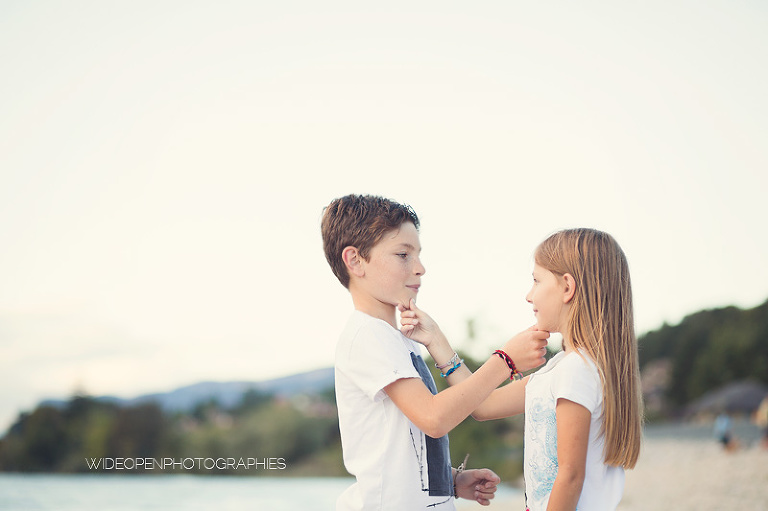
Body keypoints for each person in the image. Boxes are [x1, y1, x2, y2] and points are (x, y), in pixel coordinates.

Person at [321, 194, 549, 510]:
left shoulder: (397, 339)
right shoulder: (366, 334)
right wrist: (504, 361)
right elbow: (433, 416)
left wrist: (449, 480)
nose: (420, 268)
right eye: (403, 254)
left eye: (418, 254)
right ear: (355, 260)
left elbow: (405, 440)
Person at [401, 228, 643, 511]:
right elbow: (482, 405)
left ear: (567, 287)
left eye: (536, 281)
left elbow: (570, 476)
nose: (529, 296)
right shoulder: (562, 368)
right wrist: (435, 339)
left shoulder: (577, 371)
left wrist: (504, 358)